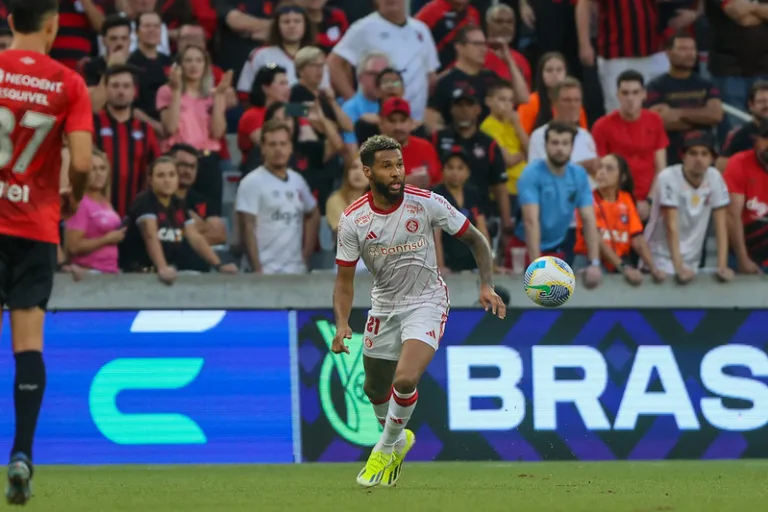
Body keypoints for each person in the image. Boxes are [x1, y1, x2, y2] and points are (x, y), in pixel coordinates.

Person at [331, 134, 505, 488]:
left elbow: (477, 240)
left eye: (399, 164)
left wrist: (485, 284)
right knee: (373, 388)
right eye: (386, 166)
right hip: (384, 304)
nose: (397, 172)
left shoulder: (426, 203)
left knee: (405, 379)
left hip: (427, 301)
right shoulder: (353, 221)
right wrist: (341, 323)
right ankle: (399, 440)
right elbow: (345, 281)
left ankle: (383, 448)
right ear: (367, 171)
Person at [0, 0, 94, 503]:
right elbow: (80, 161)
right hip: (35, 228)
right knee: (28, 345)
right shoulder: (69, 83)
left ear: (10, 20)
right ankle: (20, 456)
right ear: (54, 26)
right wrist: (73, 196)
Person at [512, 122, 602, 288]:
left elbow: (589, 219)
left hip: (558, 244)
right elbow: (531, 222)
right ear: (545, 145)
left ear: (572, 146)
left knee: (557, 295)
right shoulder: (531, 174)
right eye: (554, 143)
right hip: (525, 245)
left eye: (565, 143)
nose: (560, 148)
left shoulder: (579, 175)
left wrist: (594, 263)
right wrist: (537, 267)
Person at [119, 157, 237, 279]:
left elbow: (195, 237)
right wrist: (162, 267)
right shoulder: (144, 201)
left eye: (171, 175)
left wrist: (219, 265)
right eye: (161, 176)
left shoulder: (178, 203)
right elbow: (150, 236)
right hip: (135, 272)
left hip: (162, 270)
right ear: (150, 180)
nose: (167, 180)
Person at [644, 132, 733, 283]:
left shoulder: (715, 177)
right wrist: (679, 267)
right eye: (693, 153)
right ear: (683, 156)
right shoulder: (668, 177)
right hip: (660, 257)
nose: (699, 159)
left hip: (692, 260)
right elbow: (671, 225)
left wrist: (722, 266)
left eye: (704, 154)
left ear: (712, 158)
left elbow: (721, 225)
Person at [236, 120, 321, 274]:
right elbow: (247, 226)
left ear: (290, 148)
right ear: (263, 148)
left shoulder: (297, 181)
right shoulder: (251, 182)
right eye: (272, 144)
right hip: (266, 271)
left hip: (295, 270)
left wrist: (306, 255)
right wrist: (257, 269)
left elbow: (313, 214)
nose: (278, 150)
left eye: (283, 144)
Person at [573, 154, 666, 285]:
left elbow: (637, 239)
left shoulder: (626, 199)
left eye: (609, 168)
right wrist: (623, 268)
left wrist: (653, 268)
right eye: (600, 168)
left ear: (622, 177)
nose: (601, 172)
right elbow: (597, 240)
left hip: (620, 261)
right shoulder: (587, 199)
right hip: (591, 261)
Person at [590, 70, 668, 220]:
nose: (630, 98)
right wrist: (624, 202)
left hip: (650, 200)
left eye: (635, 92)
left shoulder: (655, 121)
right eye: (625, 93)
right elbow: (601, 172)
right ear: (617, 95)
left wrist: (649, 201)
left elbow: (661, 167)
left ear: (644, 94)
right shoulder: (602, 126)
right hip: (615, 201)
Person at [64, 149, 124, 275]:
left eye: (102, 168)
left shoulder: (105, 201)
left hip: (111, 271)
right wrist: (106, 239)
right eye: (93, 169)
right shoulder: (80, 202)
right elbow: (73, 246)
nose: (99, 174)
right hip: (89, 272)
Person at [433, 148, 492, 274]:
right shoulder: (435, 195)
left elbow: (482, 231)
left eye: (460, 168)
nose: (455, 172)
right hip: (448, 264)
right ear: (443, 170)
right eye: (450, 167)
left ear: (467, 172)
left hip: (472, 263)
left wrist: (489, 265)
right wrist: (440, 266)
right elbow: (435, 235)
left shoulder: (473, 194)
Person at [723, 120, 768, 274]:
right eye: (766, 138)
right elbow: (732, 215)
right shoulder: (739, 162)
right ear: (756, 140)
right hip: (744, 250)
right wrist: (743, 260)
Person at [517, 52, 589, 135]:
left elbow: (583, 135)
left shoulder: (573, 102)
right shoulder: (530, 101)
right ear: (541, 74)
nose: (555, 74)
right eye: (549, 70)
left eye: (559, 70)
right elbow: (521, 135)